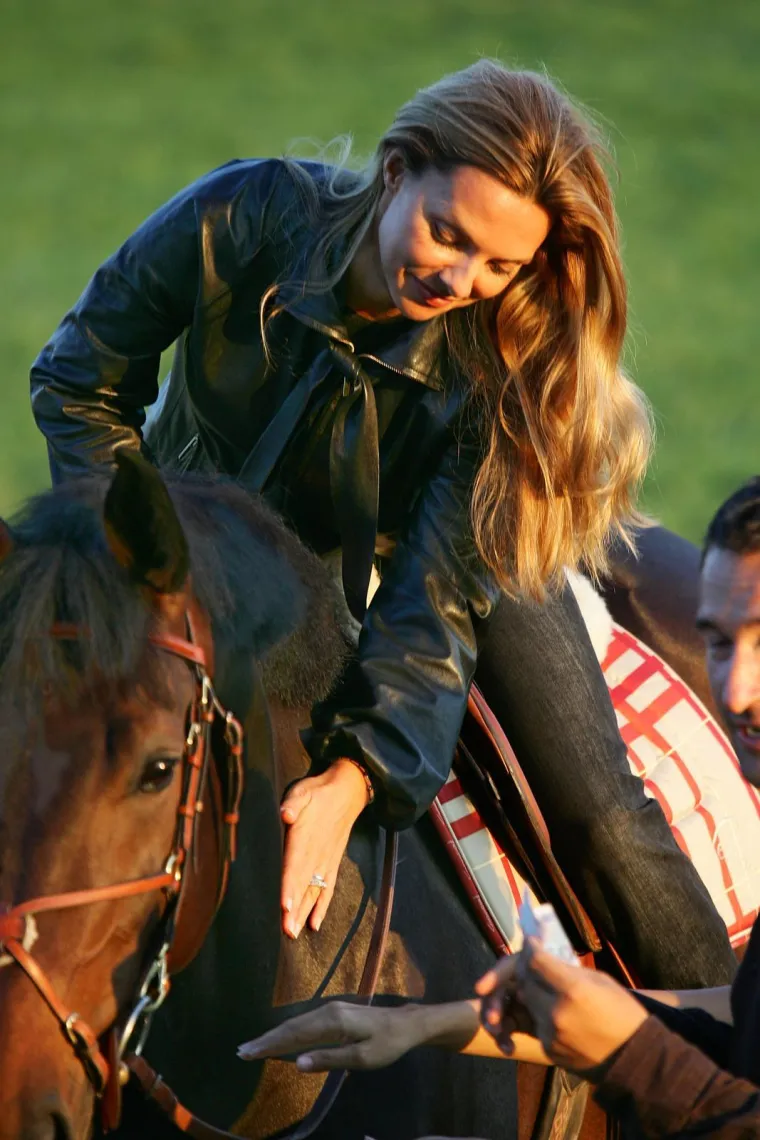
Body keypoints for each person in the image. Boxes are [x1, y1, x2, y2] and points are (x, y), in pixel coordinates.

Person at [30, 60, 733, 985]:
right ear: (397, 169)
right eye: (449, 234)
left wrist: (356, 775)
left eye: (501, 265)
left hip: (449, 556)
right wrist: (136, 547)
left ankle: (721, 1068)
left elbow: (430, 606)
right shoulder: (242, 214)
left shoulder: (494, 374)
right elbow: (80, 376)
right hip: (199, 544)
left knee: (599, 812)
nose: (461, 277)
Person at [238, 476, 760, 1138]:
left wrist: (361, 764)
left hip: (468, 522)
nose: (736, 689)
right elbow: (737, 1015)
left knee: (603, 822)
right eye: (716, 642)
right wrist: (412, 1025)